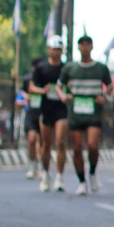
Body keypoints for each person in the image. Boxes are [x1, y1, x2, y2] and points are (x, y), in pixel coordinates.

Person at [61, 36, 114, 195]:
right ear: (78, 47)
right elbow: (58, 86)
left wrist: (104, 96)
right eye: (82, 45)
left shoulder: (101, 68)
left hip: (93, 113)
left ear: (91, 47)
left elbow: (110, 86)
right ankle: (82, 182)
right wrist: (63, 96)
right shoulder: (70, 68)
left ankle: (92, 173)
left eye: (87, 45)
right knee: (77, 148)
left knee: (92, 145)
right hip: (75, 113)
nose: (85, 48)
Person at [28, 37, 70, 191]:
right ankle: (45, 174)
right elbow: (31, 87)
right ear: (48, 49)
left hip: (61, 109)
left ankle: (59, 177)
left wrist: (67, 93)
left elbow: (71, 84)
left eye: (59, 49)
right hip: (46, 109)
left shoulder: (66, 69)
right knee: (45, 144)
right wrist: (42, 90)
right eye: (54, 49)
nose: (56, 52)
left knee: (60, 142)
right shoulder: (41, 68)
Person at [19, 77, 41, 178]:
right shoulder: (28, 79)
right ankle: (32, 164)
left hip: (43, 113)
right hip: (31, 114)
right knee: (31, 139)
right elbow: (22, 92)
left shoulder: (45, 78)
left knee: (40, 141)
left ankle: (41, 166)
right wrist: (26, 97)